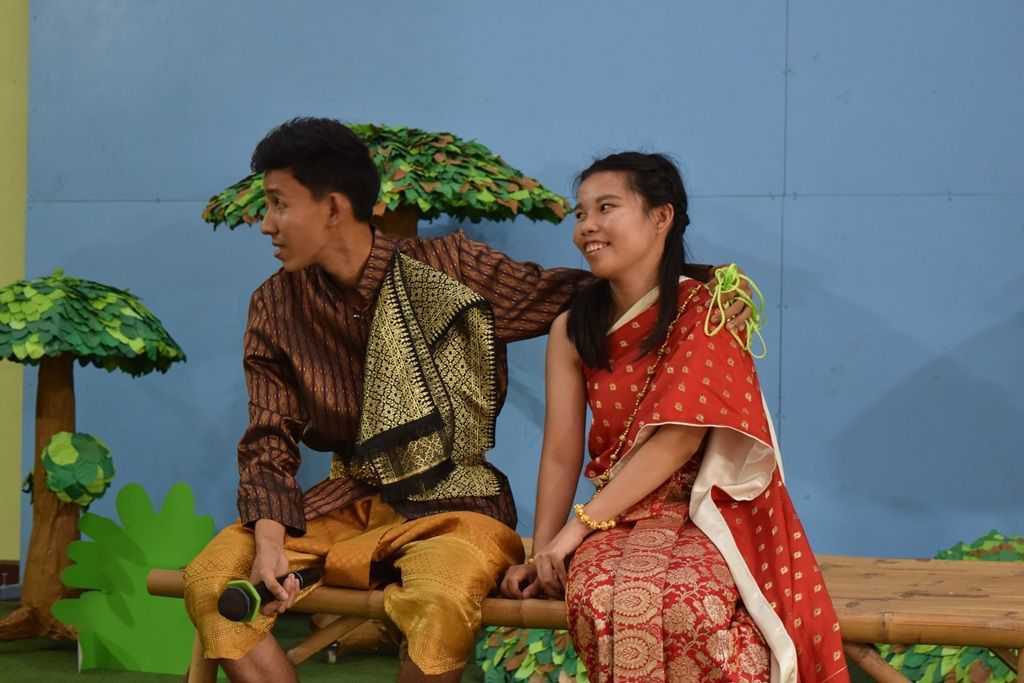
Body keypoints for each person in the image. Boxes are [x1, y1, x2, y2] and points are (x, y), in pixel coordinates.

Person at [183, 118, 752, 683]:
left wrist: (710, 285)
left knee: (441, 599)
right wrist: (269, 540)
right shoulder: (274, 305)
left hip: (457, 508)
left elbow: (588, 290)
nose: (266, 224)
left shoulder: (448, 268)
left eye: (278, 204)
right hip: (343, 504)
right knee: (209, 581)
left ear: (333, 208)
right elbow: (269, 436)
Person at [500, 152, 849, 683]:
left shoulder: (709, 309)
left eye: (606, 208)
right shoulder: (571, 328)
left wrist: (576, 530)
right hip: (615, 517)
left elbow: (678, 440)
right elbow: (561, 451)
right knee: (599, 598)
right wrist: (543, 551)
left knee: (690, 604)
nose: (586, 226)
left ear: (661, 216)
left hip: (706, 513)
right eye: (580, 213)